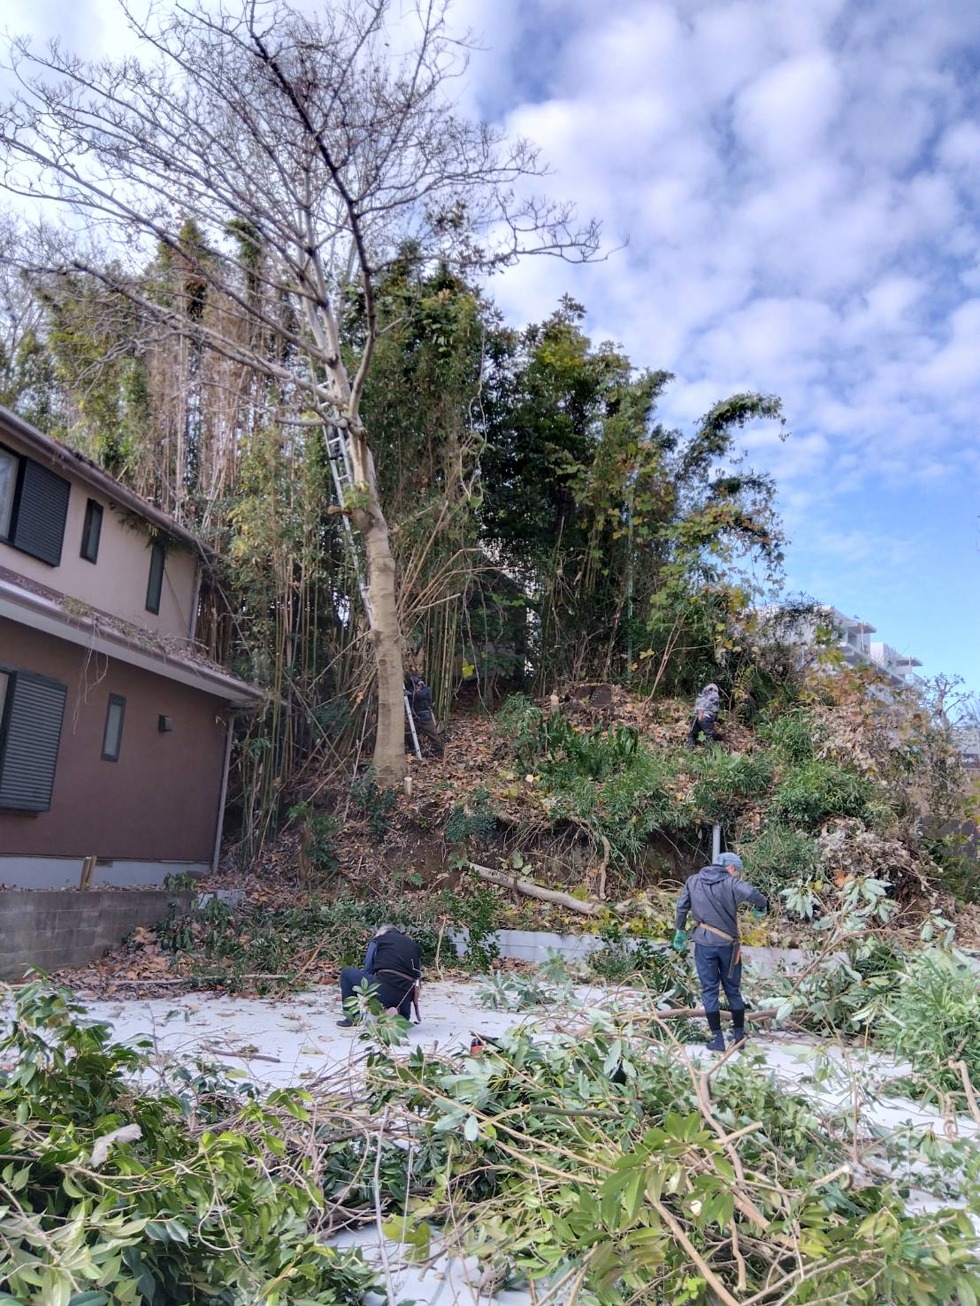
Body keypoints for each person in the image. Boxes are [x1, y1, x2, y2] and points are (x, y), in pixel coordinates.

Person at [672, 851, 767, 1051]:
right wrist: (761, 905)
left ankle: (717, 1039)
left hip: (704, 945)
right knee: (733, 990)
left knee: (709, 991)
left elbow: (681, 908)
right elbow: (752, 894)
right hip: (728, 947)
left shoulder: (693, 881)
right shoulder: (731, 883)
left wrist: (680, 929)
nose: (737, 876)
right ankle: (739, 1036)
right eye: (737, 872)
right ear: (731, 868)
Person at [338, 924, 422, 1027]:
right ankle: (403, 1017)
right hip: (406, 996)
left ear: (381, 933)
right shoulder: (414, 946)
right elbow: (417, 977)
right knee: (401, 981)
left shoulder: (379, 940)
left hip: (384, 989)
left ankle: (352, 1018)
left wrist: (367, 996)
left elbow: (368, 969)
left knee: (347, 973)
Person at [405, 673, 444, 757]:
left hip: (425, 715)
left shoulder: (425, 689)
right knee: (408, 731)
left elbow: (419, 696)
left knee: (432, 734)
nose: (417, 686)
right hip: (415, 717)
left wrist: (410, 694)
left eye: (418, 684)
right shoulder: (410, 689)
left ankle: (438, 750)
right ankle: (415, 748)